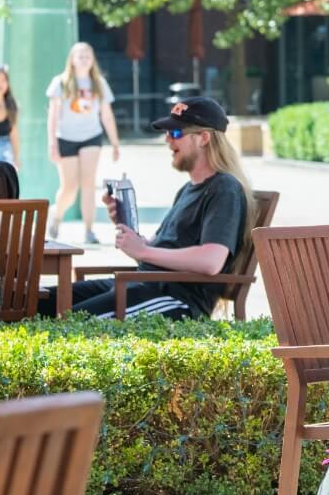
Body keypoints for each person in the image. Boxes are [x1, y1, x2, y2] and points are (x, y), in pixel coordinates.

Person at [38, 97, 251, 320]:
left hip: (175, 298)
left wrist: (143, 251)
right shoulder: (188, 190)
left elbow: (211, 261)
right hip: (145, 285)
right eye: (167, 133)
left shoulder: (224, 188)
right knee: (39, 302)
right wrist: (127, 227)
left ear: (204, 138)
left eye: (176, 133)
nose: (168, 140)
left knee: (67, 323)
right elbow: (156, 251)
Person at [46, 42, 121, 244]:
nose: (84, 59)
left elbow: (106, 114)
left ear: (93, 59)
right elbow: (53, 115)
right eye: (80, 55)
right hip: (66, 137)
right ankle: (57, 215)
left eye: (88, 55)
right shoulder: (60, 82)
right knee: (70, 187)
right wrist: (52, 143)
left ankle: (89, 230)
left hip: (91, 137)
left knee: (88, 183)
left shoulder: (98, 83)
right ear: (72, 59)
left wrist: (115, 143)